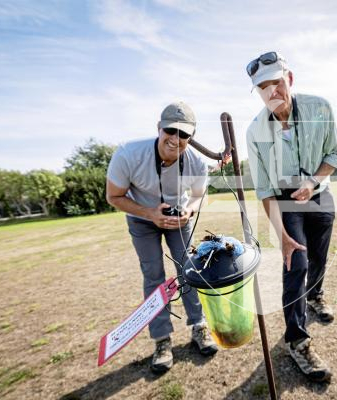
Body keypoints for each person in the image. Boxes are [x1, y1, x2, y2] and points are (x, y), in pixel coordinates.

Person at [245, 52, 337, 382]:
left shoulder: (321, 108)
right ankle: (297, 341)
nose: (272, 91)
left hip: (319, 193)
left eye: (277, 82)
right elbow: (263, 190)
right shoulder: (254, 131)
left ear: (290, 79)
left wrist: (313, 181)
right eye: (263, 87)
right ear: (258, 92)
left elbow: (335, 154)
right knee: (295, 264)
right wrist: (282, 236)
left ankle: (316, 296)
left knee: (319, 257)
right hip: (285, 203)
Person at [106, 101, 218, 374]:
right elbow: (114, 196)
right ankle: (162, 340)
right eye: (171, 130)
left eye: (184, 134)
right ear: (159, 128)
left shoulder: (196, 162)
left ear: (191, 137)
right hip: (141, 219)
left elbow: (197, 195)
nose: (176, 139)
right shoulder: (128, 154)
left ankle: (198, 326)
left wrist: (189, 212)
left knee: (189, 271)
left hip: (179, 220)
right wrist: (149, 213)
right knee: (153, 275)